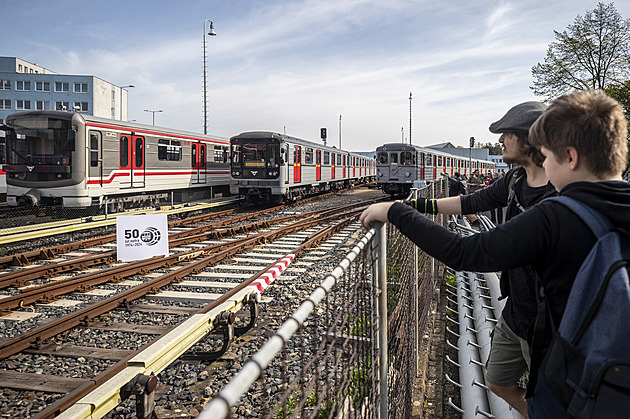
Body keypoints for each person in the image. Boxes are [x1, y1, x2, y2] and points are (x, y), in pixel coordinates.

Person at [360, 90, 630, 417]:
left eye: (550, 156)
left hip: (569, 366)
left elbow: (464, 252)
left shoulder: (557, 215)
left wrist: (395, 212)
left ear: (570, 158)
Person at [401, 101, 555, 415]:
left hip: (549, 323)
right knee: (497, 380)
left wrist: (399, 214)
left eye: (506, 134)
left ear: (527, 138)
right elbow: (473, 200)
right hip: (516, 312)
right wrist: (420, 207)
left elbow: (465, 252)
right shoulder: (515, 181)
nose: (500, 141)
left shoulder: (558, 196)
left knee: (553, 397)